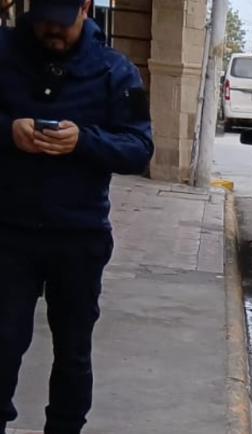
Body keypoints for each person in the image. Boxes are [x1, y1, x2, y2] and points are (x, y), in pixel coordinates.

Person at [0, 0, 154, 432]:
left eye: (62, 21)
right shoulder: (5, 53)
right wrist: (8, 131)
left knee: (73, 350)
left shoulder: (115, 71)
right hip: (10, 233)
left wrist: (82, 141)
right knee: (3, 343)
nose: (52, 29)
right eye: (44, 18)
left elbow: (139, 148)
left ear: (85, 7)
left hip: (78, 236)